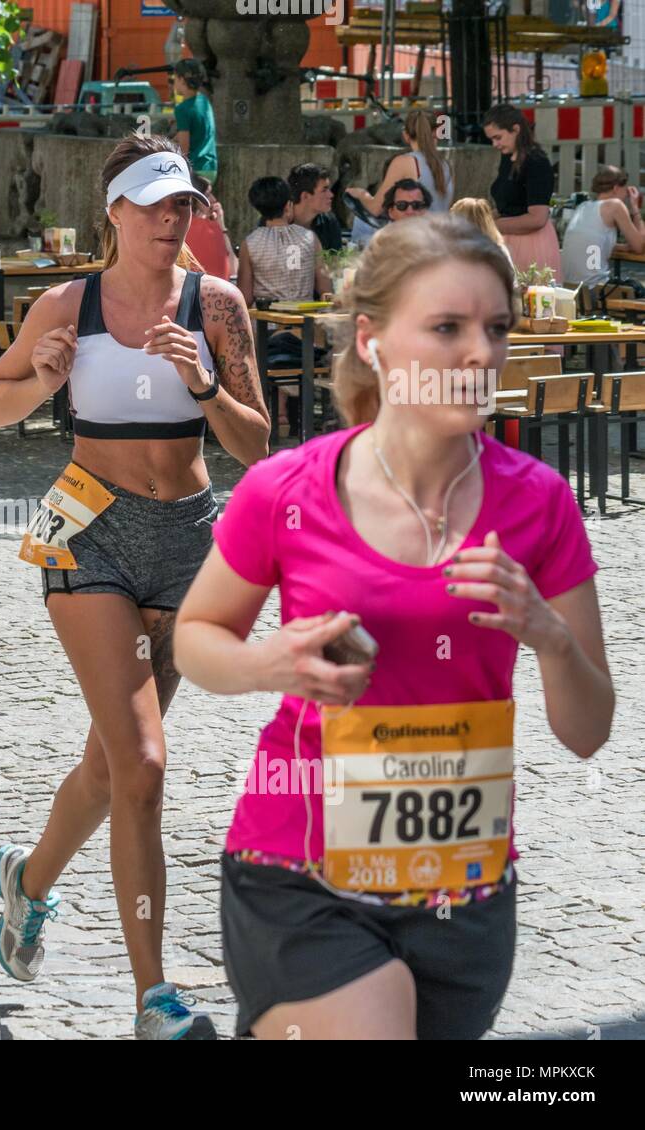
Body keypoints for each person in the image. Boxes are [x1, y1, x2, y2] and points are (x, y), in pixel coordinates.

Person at [173, 214, 613, 1040]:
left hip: (463, 892)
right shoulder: (287, 489)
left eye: (496, 329)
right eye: (447, 328)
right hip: (298, 867)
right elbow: (196, 636)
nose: (479, 355)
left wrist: (548, 636)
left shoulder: (540, 503)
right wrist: (271, 663)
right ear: (372, 340)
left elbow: (590, 731)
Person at [0, 134, 270, 1039]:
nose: (169, 220)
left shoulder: (215, 305)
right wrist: (42, 379)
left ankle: (27, 884)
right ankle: (155, 997)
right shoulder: (68, 303)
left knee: (111, 766)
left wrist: (207, 386)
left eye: (181, 204)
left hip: (190, 544)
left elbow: (259, 444)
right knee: (142, 764)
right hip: (91, 534)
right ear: (114, 213)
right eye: (151, 205)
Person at [484, 103, 561, 283]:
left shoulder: (536, 162)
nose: (494, 144)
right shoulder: (507, 157)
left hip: (531, 244)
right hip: (508, 240)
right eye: (492, 139)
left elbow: (537, 219)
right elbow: (507, 205)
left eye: (498, 137)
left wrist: (491, 226)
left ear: (516, 130)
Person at [347, 108, 454, 222]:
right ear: (436, 132)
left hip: (413, 235)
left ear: (405, 135)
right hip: (440, 236)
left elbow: (375, 208)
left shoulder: (404, 162)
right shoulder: (446, 165)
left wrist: (361, 194)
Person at [238, 175, 331, 305]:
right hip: (303, 321)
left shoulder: (250, 243)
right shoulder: (310, 238)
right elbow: (325, 288)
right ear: (288, 205)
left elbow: (245, 297)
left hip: (266, 322)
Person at [560, 165, 645, 285]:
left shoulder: (583, 207)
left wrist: (622, 247)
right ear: (616, 188)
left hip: (571, 289)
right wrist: (635, 207)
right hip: (595, 289)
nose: (626, 194)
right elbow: (639, 247)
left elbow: (591, 242)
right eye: (625, 190)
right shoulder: (615, 205)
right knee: (637, 288)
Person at [172, 58, 217, 189]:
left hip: (195, 170)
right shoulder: (204, 102)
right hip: (210, 168)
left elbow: (184, 148)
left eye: (175, 78)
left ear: (181, 79)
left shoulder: (182, 109)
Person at [183, 173, 235, 280]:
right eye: (207, 195)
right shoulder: (210, 229)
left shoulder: (178, 227)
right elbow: (234, 269)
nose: (213, 199)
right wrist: (221, 226)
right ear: (194, 199)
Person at [288, 163, 342, 253]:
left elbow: (335, 262)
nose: (331, 195)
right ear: (305, 196)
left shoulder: (328, 222)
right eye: (324, 190)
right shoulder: (275, 220)